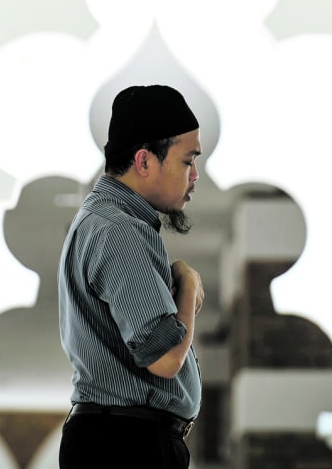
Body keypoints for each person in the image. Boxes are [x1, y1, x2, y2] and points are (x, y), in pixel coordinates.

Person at [58, 84, 204, 469]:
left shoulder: (105, 222)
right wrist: (188, 285)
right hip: (125, 446)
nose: (195, 176)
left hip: (119, 440)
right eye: (188, 161)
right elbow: (166, 357)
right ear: (144, 161)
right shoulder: (119, 230)